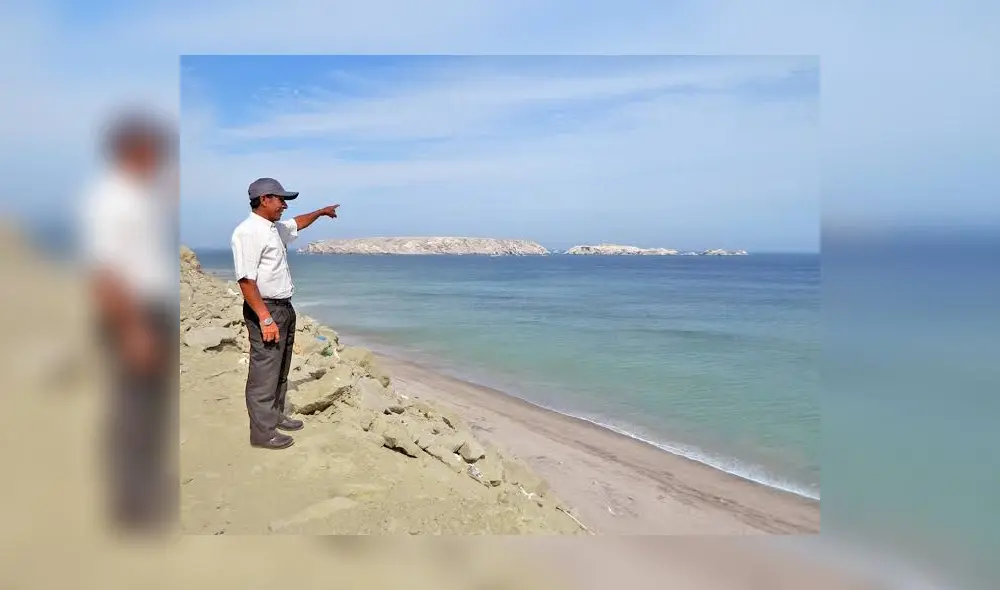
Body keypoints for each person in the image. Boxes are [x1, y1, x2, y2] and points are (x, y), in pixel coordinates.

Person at [81, 109, 178, 531]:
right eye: (153, 149)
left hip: (153, 313)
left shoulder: (141, 195)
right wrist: (132, 330)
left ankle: (146, 490)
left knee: (153, 409)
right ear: (132, 150)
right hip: (134, 316)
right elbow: (106, 272)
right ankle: (131, 505)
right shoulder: (110, 198)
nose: (160, 157)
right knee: (133, 409)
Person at [231, 178, 339, 450]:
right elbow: (246, 281)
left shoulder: (273, 228)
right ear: (265, 199)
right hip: (266, 309)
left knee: (280, 368)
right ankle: (262, 433)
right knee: (264, 373)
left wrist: (320, 213)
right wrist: (265, 318)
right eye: (281, 199)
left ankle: (276, 416)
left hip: (283, 307)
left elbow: (297, 223)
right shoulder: (248, 232)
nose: (285, 205)